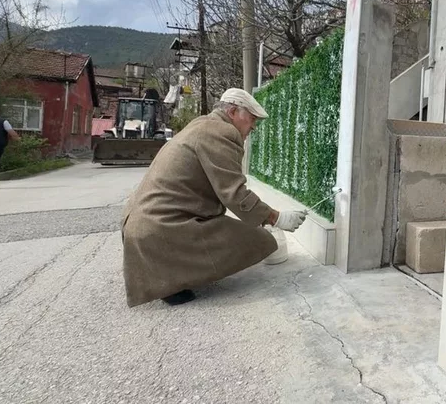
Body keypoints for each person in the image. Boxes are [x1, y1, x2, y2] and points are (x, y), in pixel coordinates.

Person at [121, 88, 307, 307]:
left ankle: (169, 274)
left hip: (139, 224)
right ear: (233, 112)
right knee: (262, 240)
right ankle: (171, 281)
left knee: (226, 226)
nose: (253, 127)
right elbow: (235, 194)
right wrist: (277, 218)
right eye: (252, 119)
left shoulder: (201, 124)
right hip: (160, 227)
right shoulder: (222, 133)